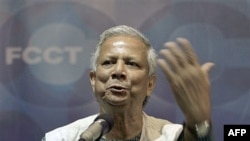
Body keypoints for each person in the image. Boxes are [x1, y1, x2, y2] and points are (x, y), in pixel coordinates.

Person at [42, 25, 214, 141]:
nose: (118, 71)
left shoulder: (171, 136)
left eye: (132, 64)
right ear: (93, 79)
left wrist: (198, 123)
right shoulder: (61, 138)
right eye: (108, 62)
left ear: (150, 84)